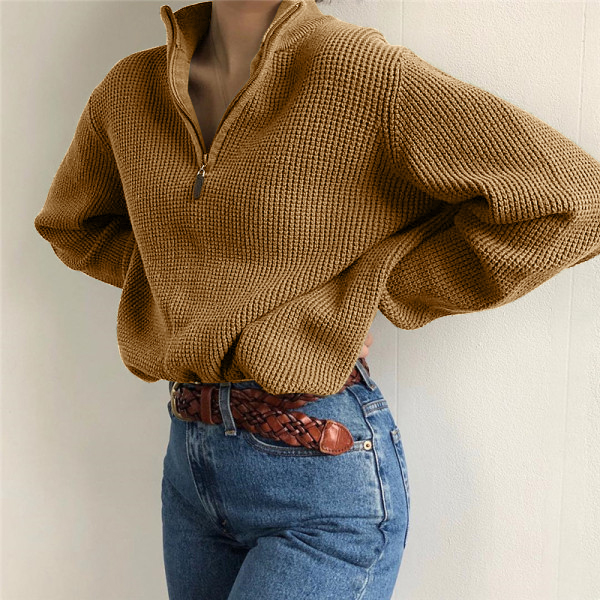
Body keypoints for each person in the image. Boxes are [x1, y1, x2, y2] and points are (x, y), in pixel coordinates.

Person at [33, 0, 600, 598]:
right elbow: (74, 226)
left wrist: (368, 292)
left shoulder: (359, 71)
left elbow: (573, 200)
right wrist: (187, 287)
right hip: (190, 468)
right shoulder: (130, 90)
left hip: (319, 468)